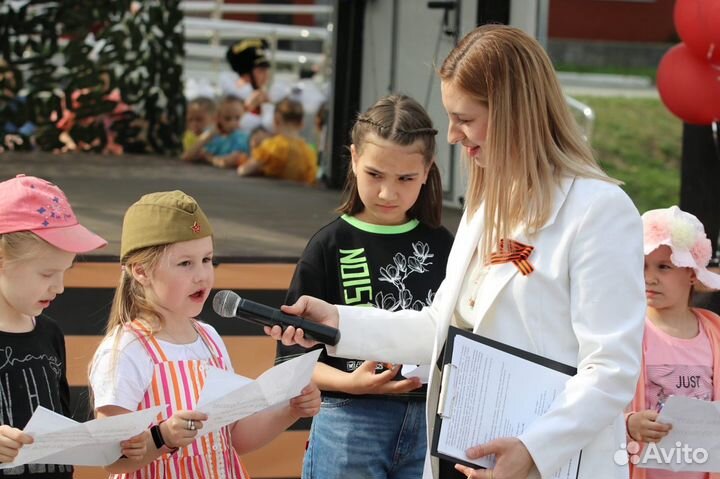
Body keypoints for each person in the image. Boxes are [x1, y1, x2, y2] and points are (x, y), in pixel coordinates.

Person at [269, 24, 646, 479]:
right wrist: (338, 323)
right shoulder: (486, 204)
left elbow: (611, 368)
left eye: (464, 119)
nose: (451, 135)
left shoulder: (599, 210)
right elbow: (440, 327)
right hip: (467, 456)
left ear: (513, 112)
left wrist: (533, 449)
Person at [275, 94, 454, 478]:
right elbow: (291, 360)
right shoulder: (329, 244)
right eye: (375, 174)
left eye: (405, 178)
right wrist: (350, 384)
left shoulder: (447, 246)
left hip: (429, 422)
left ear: (427, 170)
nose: (388, 192)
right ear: (354, 159)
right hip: (348, 421)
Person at [88, 190, 320, 478]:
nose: (202, 275)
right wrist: (163, 437)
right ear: (141, 271)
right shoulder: (127, 350)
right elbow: (112, 457)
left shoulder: (209, 338)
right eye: (185, 263)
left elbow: (233, 437)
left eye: (207, 259)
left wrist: (290, 410)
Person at [0, 175, 147, 475]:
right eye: (46, 273)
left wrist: (116, 445)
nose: (60, 286)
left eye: (65, 271)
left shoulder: (50, 333)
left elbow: (60, 431)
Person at [626, 206, 720, 479]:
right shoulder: (627, 332)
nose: (648, 277)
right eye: (642, 265)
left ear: (692, 274)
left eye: (663, 267)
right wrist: (628, 424)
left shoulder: (714, 334)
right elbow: (598, 399)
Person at [237, 97, 317, 185]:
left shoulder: (272, 146)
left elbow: (244, 170)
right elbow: (310, 182)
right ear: (302, 124)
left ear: (276, 120)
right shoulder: (309, 152)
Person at [183, 96, 250, 168]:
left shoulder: (246, 138)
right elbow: (187, 156)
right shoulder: (216, 139)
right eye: (227, 118)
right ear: (218, 119)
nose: (233, 123)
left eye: (238, 118)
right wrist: (208, 135)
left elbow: (229, 161)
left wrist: (209, 158)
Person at [222, 38, 272, 132]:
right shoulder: (231, 93)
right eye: (261, 70)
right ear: (246, 73)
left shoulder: (263, 95)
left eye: (266, 70)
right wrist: (247, 108)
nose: (266, 75)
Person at [181, 96, 215, 161]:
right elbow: (187, 156)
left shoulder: (219, 136)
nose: (194, 124)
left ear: (213, 119)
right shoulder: (189, 137)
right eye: (190, 120)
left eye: (199, 119)